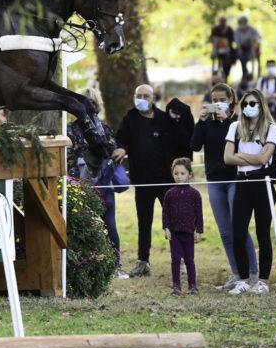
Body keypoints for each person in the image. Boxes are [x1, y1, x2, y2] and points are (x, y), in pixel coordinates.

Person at [112, 84, 193, 277]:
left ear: (153, 99)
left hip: (166, 180)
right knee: (144, 222)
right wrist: (122, 148)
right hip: (142, 181)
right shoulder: (129, 118)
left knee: (175, 220)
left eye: (145, 96)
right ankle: (143, 261)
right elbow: (119, 139)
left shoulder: (165, 119)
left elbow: (181, 141)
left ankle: (180, 259)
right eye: (138, 95)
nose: (141, 98)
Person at [191, 83, 256, 291]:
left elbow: (243, 142)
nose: (218, 103)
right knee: (225, 231)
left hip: (234, 179)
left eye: (222, 99)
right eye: (214, 99)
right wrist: (200, 122)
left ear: (231, 101)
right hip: (214, 180)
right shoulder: (207, 123)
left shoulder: (237, 122)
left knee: (240, 227)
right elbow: (194, 145)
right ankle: (236, 273)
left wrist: (226, 120)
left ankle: (252, 273)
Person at [67, 88, 126, 277]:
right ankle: (85, 265)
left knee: (110, 225)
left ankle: (114, 265)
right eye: (84, 102)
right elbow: (69, 159)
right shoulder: (69, 130)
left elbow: (113, 152)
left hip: (104, 184)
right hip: (80, 186)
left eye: (91, 102)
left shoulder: (104, 128)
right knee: (83, 226)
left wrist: (115, 151)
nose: (88, 106)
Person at [225, 89, 276, 295]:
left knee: (263, 232)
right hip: (242, 183)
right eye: (246, 103)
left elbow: (263, 160)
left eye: (253, 103)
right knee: (237, 233)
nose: (249, 107)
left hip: (262, 185)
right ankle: (244, 279)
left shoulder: (270, 129)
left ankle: (263, 280)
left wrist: (242, 156)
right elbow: (227, 158)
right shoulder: (234, 127)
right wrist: (252, 158)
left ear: (261, 105)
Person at [163, 158, 203, 295]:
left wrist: (199, 230)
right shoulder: (169, 194)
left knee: (189, 260)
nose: (179, 177)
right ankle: (176, 286)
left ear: (190, 175)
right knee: (175, 260)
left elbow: (199, 214)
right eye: (176, 174)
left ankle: (192, 286)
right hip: (175, 234)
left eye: (182, 173)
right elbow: (165, 213)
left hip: (188, 233)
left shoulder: (195, 194)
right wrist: (166, 228)